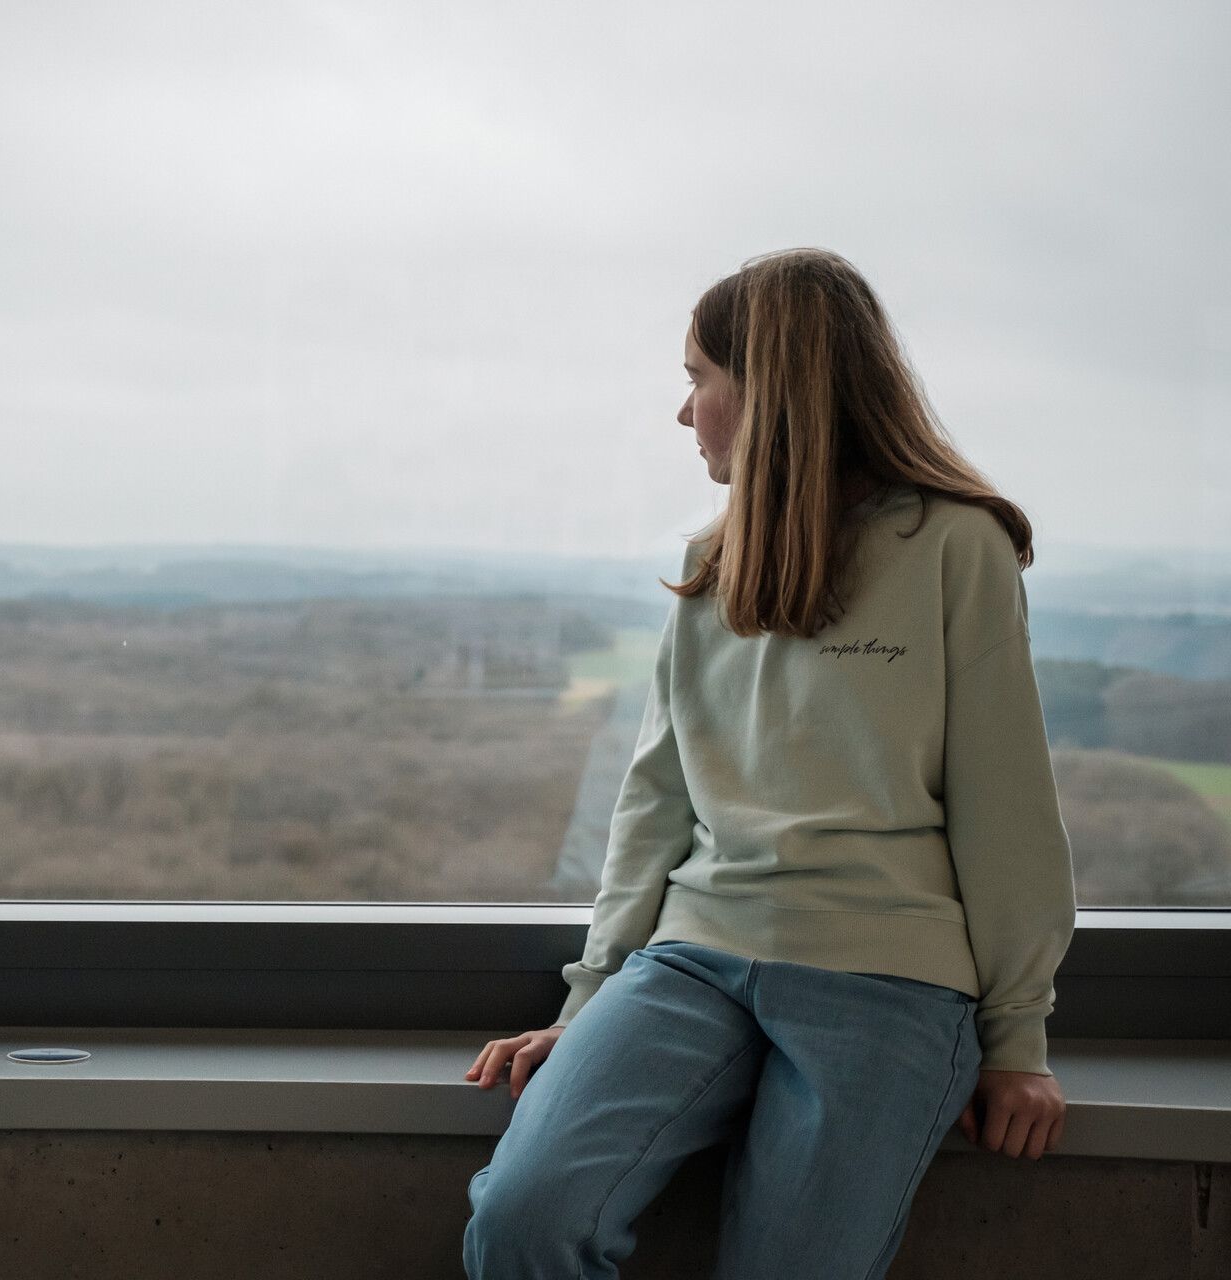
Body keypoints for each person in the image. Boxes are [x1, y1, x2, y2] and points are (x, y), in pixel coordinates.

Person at [459, 247, 1076, 1280]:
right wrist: (589, 1002)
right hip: (694, 962)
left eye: (698, 378)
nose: (684, 410)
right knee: (521, 1219)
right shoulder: (713, 559)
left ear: (772, 391)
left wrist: (1017, 1041)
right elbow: (655, 800)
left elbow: (1006, 812)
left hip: (890, 982)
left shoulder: (954, 549)